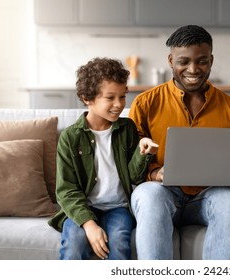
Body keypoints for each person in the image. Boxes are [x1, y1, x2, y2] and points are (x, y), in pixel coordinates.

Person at [129, 25, 230, 260]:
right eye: (183, 61)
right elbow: (128, 166)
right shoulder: (145, 104)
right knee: (150, 195)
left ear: (211, 61)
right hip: (163, 194)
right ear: (171, 60)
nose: (193, 69)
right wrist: (154, 175)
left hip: (208, 196)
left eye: (202, 61)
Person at [48, 57, 158, 260]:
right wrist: (89, 224)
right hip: (83, 207)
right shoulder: (70, 137)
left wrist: (143, 154)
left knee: (118, 241)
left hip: (118, 207)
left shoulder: (128, 129)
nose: (119, 104)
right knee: (73, 245)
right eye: (110, 98)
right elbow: (66, 190)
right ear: (87, 98)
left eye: (123, 96)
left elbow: (134, 177)